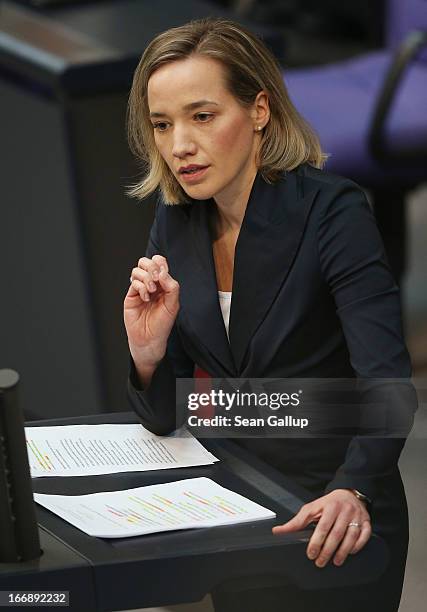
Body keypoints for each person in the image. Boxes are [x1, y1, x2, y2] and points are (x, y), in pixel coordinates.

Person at [123, 18, 416, 612]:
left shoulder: (334, 214)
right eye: (162, 124)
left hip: (334, 511)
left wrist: (350, 488)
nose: (179, 144)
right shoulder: (175, 220)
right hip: (236, 508)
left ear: (259, 111)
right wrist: (149, 356)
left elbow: (388, 390)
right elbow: (169, 416)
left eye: (202, 117)